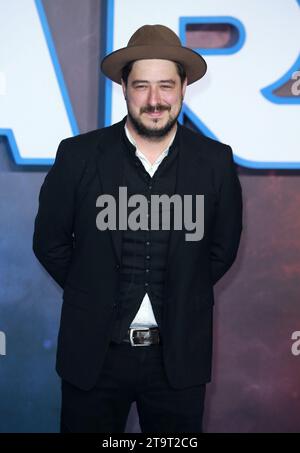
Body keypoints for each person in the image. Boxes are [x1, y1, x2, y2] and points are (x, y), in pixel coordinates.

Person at [33, 24, 243, 433]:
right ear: (124, 89)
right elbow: (50, 243)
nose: (154, 100)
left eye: (166, 85)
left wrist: (182, 292)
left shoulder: (215, 162)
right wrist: (90, 289)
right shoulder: (78, 156)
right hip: (93, 357)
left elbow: (221, 249)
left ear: (183, 87)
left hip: (178, 359)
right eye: (142, 86)